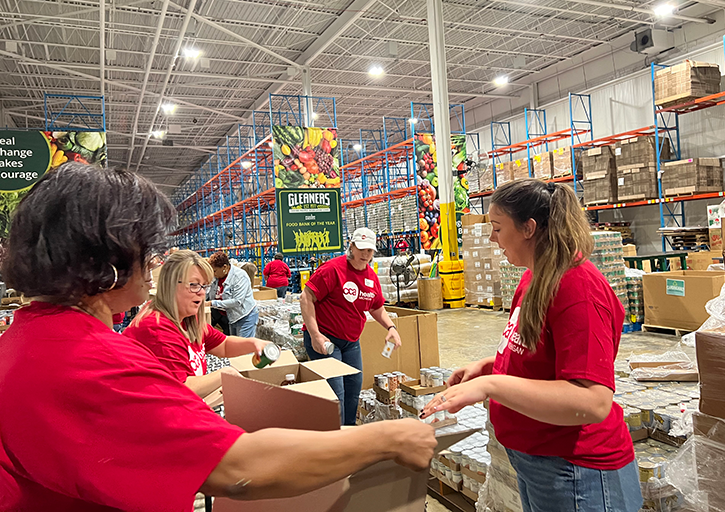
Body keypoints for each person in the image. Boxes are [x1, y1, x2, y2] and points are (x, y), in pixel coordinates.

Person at [0, 162, 438, 511]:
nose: (152, 263)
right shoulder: (94, 361)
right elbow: (242, 468)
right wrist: (387, 438)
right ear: (105, 260)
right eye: (145, 250)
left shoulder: (28, 340)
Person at [422, 180, 642, 512]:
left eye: (497, 228)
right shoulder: (533, 276)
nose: (493, 239)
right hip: (538, 460)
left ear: (529, 228)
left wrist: (491, 385)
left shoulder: (578, 290)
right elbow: (534, 350)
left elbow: (593, 401)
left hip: (576, 470)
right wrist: (488, 366)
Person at [123, 250, 271, 399]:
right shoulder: (157, 328)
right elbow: (180, 388)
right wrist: (226, 373)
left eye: (204, 286)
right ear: (171, 285)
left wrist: (254, 344)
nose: (201, 293)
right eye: (194, 285)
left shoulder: (188, 317)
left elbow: (223, 345)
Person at [300, 227, 402, 426]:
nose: (365, 254)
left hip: (351, 342)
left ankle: (347, 432)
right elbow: (306, 297)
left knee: (353, 390)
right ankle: (333, 441)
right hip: (326, 339)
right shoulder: (333, 269)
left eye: (370, 250)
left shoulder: (371, 278)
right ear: (352, 246)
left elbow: (376, 307)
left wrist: (391, 328)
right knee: (335, 393)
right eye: (361, 248)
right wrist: (315, 335)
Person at [206, 251, 259, 338]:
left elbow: (237, 301)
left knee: (243, 347)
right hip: (231, 317)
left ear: (225, 267)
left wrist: (212, 303)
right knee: (234, 346)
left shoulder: (239, 276)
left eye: (215, 271)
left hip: (245, 316)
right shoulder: (216, 278)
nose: (213, 274)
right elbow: (208, 292)